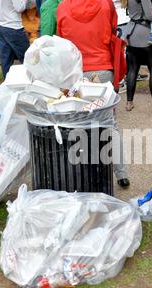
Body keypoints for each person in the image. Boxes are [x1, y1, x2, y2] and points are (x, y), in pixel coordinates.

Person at [57, 0, 131, 189]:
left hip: (76, 74)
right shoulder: (106, 4)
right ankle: (121, 173)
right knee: (109, 124)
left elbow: (61, 40)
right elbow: (113, 30)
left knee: (76, 122)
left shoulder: (63, 7)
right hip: (103, 69)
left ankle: (81, 172)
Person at [123, 0, 152, 113]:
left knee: (132, 70)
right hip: (145, 34)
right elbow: (149, 15)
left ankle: (129, 103)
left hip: (131, 34)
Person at [0, 0, 30, 79]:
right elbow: (19, 8)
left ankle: (7, 84)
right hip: (13, 26)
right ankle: (31, 83)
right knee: (27, 57)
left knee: (6, 60)